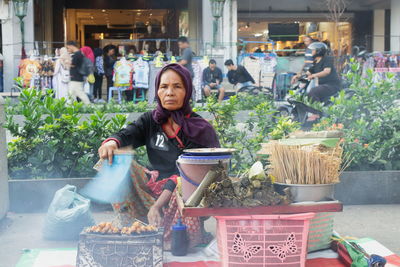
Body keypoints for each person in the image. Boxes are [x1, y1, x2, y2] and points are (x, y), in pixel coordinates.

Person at [98, 64, 219, 249]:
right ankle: (132, 225)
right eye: (164, 87)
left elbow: (189, 175)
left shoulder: (200, 129)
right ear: (157, 90)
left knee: (181, 189)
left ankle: (176, 237)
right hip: (156, 185)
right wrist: (111, 142)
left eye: (177, 86)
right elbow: (128, 133)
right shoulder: (150, 120)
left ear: (187, 91)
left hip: (188, 191)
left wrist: (157, 206)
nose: (169, 92)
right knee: (114, 159)